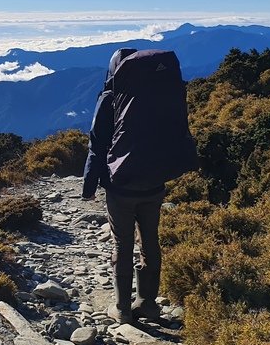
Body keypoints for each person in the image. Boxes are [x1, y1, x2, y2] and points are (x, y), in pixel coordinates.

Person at [82, 47, 195, 325]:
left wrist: (89, 184)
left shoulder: (111, 98)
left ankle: (122, 309)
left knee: (122, 243)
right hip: (155, 182)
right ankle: (147, 303)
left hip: (121, 186)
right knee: (150, 241)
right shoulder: (163, 94)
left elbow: (97, 143)